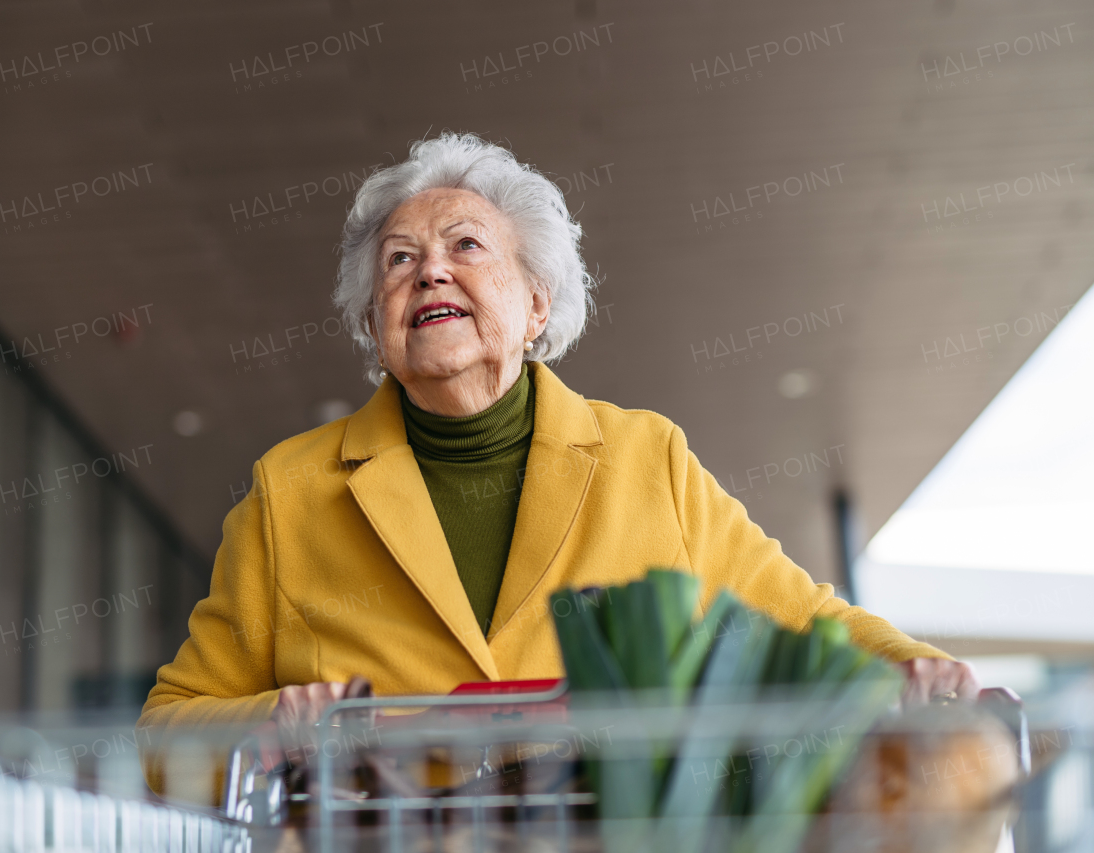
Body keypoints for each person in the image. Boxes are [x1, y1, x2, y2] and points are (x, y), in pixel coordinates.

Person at [138, 133, 976, 794]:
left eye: (467, 246)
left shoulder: (649, 457)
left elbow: (803, 616)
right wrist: (279, 721)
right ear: (373, 323)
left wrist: (914, 667)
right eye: (399, 259)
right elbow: (164, 729)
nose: (430, 268)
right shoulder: (290, 491)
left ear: (537, 302)